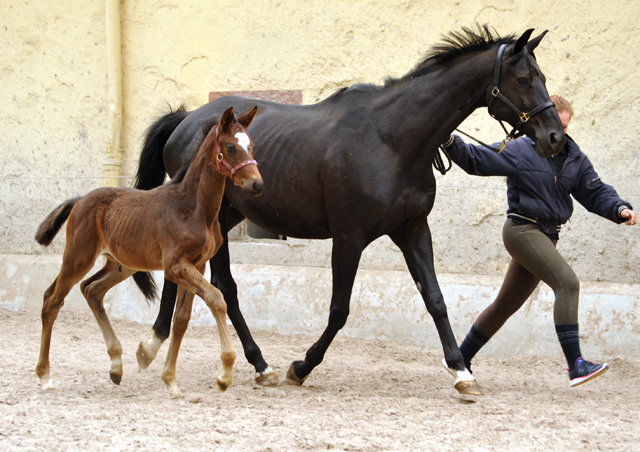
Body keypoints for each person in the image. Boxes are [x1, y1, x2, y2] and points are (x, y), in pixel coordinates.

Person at [441, 95, 637, 387]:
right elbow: (476, 160)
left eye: (566, 127)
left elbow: (596, 192)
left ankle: (459, 357)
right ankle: (576, 365)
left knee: (505, 305)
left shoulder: (575, 158)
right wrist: (448, 141)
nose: (561, 133)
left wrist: (619, 208)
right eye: (557, 125)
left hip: (547, 235)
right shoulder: (521, 149)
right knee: (567, 283)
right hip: (522, 230)